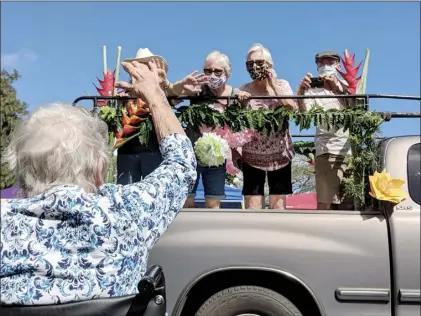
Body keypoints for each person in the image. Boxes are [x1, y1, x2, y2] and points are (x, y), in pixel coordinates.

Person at [0, 60, 197, 305]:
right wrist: (155, 94)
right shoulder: (127, 211)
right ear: (100, 171)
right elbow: (182, 164)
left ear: (21, 173)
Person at [116, 48, 207, 185]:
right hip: (127, 153)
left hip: (153, 152)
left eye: (147, 65)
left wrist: (180, 86)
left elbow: (172, 94)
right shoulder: (123, 93)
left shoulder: (161, 91)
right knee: (125, 191)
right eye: (139, 65)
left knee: (154, 191)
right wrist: (119, 102)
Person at [178, 50, 248, 209]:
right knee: (186, 200)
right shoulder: (197, 90)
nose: (212, 75)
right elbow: (174, 99)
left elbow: (244, 122)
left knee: (214, 202)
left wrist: (243, 102)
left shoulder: (234, 94)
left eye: (217, 71)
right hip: (192, 154)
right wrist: (184, 89)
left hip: (217, 156)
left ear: (227, 74)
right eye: (208, 71)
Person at [237, 44, 298, 210]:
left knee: (278, 205)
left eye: (259, 62)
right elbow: (239, 122)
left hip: (280, 154)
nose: (254, 67)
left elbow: (292, 108)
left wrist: (273, 86)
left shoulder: (282, 85)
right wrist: (242, 105)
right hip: (252, 155)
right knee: (252, 205)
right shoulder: (243, 89)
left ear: (269, 65)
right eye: (249, 64)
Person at [296, 50, 351, 210]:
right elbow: (304, 117)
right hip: (327, 151)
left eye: (330, 62)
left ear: (338, 65)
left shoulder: (347, 85)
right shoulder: (312, 91)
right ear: (317, 65)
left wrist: (337, 90)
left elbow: (357, 110)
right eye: (322, 62)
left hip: (351, 150)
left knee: (350, 203)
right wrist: (300, 92)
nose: (325, 65)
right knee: (325, 202)